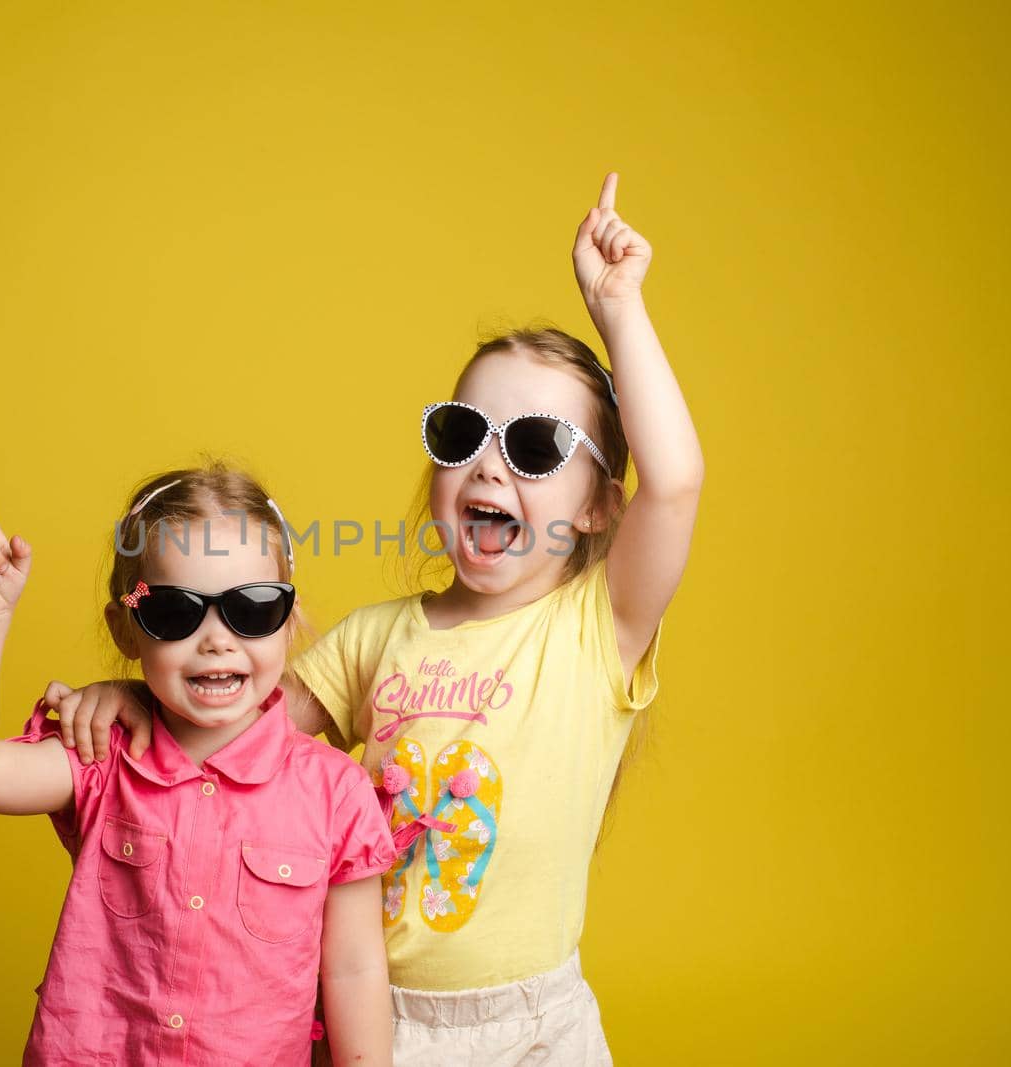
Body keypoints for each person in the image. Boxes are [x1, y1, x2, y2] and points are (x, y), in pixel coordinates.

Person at [39, 170, 704, 1064]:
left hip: (536, 1027)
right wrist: (130, 698)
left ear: (597, 508)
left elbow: (676, 482)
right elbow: (230, 733)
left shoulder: (594, 629)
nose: (491, 467)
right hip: (370, 1016)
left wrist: (619, 308)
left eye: (538, 445)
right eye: (463, 435)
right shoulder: (373, 639)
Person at [0, 466, 398, 1065]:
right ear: (127, 628)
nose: (217, 640)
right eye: (176, 613)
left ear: (289, 619)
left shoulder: (334, 792)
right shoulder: (100, 755)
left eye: (251, 609)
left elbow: (355, 972)